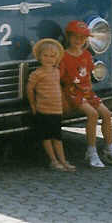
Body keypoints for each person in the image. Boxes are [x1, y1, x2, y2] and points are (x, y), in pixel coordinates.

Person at [60, 20, 112, 168]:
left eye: (83, 38)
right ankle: (91, 151)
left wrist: (90, 94)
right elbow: (60, 79)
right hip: (72, 93)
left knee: (107, 114)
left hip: (87, 93)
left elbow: (88, 76)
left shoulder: (86, 55)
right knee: (92, 114)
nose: (79, 41)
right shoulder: (64, 56)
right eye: (75, 37)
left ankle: (109, 149)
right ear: (68, 37)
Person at [27, 38, 75, 171]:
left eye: (52, 56)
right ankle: (53, 160)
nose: (49, 59)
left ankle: (63, 160)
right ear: (39, 57)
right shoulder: (37, 73)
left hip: (56, 110)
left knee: (57, 136)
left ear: (57, 58)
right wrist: (32, 104)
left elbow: (58, 87)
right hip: (43, 110)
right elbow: (30, 89)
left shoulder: (56, 72)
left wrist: (64, 102)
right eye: (45, 55)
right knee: (46, 136)